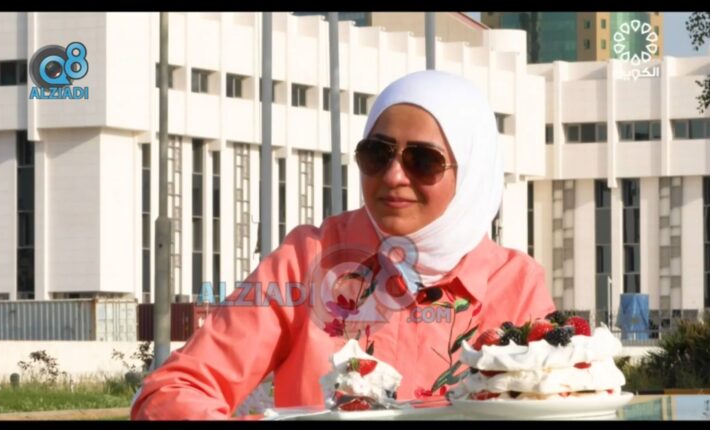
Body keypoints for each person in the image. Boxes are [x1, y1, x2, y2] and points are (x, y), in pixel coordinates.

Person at [131, 70, 556, 420]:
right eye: (377, 153)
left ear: (473, 173)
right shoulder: (309, 260)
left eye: (423, 160)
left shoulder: (514, 285)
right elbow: (173, 391)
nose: (393, 176)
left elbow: (554, 404)